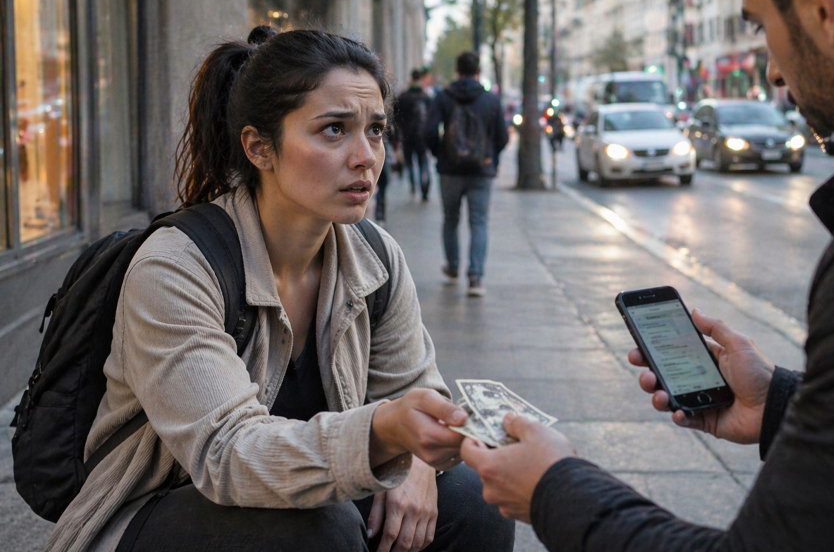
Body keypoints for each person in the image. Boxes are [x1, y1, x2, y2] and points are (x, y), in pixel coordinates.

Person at [461, 0, 834, 550]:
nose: (774, 73)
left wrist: (553, 490)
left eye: (760, 24)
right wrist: (781, 403)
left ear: (822, 4)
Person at [45, 27, 514, 552]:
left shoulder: (375, 254)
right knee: (321, 527)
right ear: (259, 147)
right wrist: (384, 435)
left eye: (376, 130)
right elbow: (226, 453)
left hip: (315, 494)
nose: (366, 157)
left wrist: (422, 461)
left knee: (475, 500)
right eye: (334, 130)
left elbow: (413, 389)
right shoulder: (176, 265)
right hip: (159, 510)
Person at [424, 52, 509, 297]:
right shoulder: (490, 100)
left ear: (457, 71)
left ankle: (452, 266)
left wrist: (440, 153)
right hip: (481, 171)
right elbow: (502, 136)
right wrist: (490, 156)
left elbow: (428, 130)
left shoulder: (443, 97)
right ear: (478, 71)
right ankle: (475, 278)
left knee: (450, 219)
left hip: (450, 170)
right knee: (479, 222)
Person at [394, 69, 433, 202]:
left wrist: (398, 136)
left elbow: (396, 118)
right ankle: (425, 189)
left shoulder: (403, 97)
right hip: (422, 137)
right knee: (423, 162)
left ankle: (413, 186)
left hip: (407, 136)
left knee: (410, 163)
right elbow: (431, 119)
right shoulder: (426, 97)